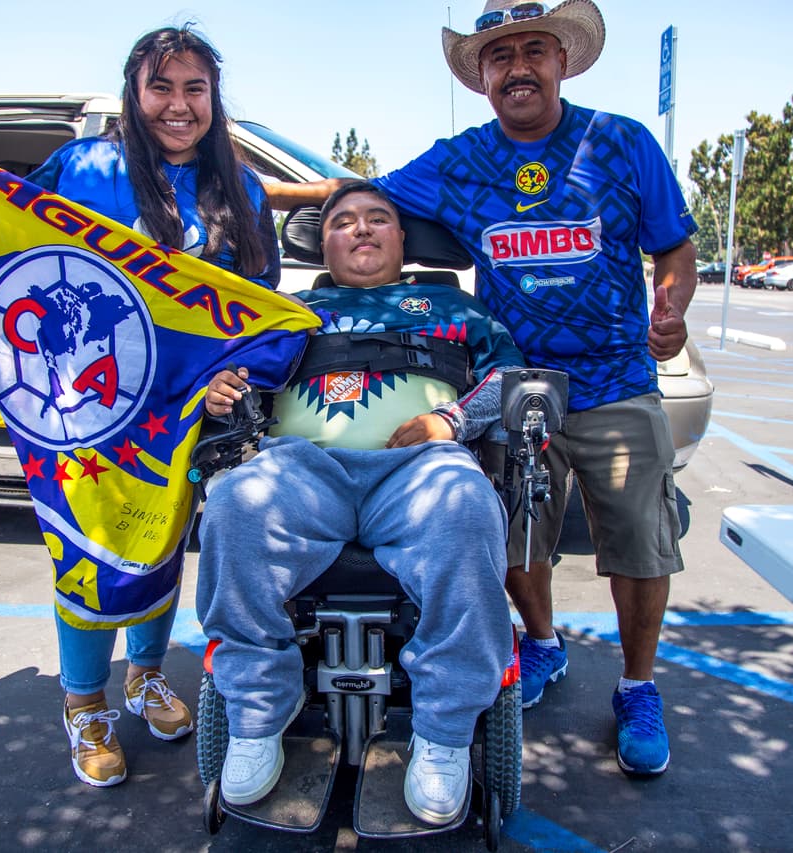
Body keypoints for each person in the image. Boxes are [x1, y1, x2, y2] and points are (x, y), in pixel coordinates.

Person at [266, 0, 697, 778]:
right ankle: (542, 643)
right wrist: (233, 191)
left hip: (614, 381)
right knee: (509, 532)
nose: (519, 67)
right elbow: (353, 194)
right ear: (484, 77)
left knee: (640, 537)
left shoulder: (623, 143)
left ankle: (638, 685)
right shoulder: (458, 159)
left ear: (563, 60)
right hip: (512, 379)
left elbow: (674, 247)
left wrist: (673, 307)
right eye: (501, 57)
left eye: (535, 50)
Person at [196, 182, 524, 825]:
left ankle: (446, 731)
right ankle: (260, 711)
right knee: (233, 502)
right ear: (323, 242)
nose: (363, 229)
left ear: (404, 239)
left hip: (418, 468)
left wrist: (453, 421)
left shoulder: (453, 305)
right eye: (344, 221)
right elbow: (232, 381)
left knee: (466, 503)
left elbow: (511, 381)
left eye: (380, 219)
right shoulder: (286, 310)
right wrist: (221, 390)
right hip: (304, 468)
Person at [24, 23, 281, 788]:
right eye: (161, 87)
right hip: (88, 406)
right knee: (90, 551)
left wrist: (237, 378)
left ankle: (143, 675)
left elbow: (260, 305)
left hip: (188, 413)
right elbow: (8, 241)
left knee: (162, 546)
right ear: (135, 97)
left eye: (194, 89)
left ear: (213, 98)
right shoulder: (84, 167)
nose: (178, 105)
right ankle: (85, 704)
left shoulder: (241, 186)